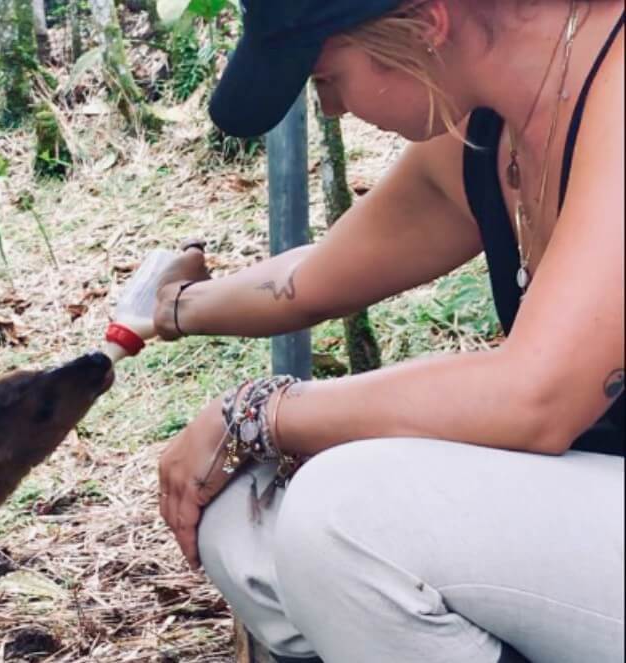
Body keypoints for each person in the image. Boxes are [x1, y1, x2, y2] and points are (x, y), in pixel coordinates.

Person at [151, 1, 625, 662]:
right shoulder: (487, 132)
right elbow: (311, 278)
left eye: (325, 80)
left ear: (426, 23)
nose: (333, 110)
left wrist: (256, 412)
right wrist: (175, 307)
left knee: (343, 515)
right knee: (240, 511)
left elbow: (536, 395)